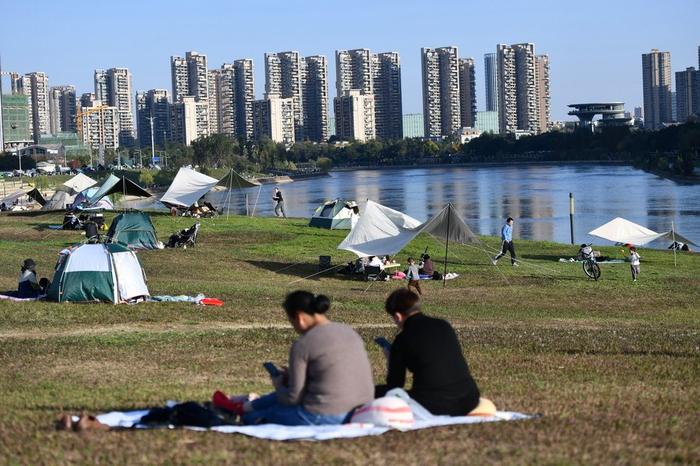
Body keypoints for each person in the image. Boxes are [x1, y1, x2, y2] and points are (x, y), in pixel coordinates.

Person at [213, 291, 374, 425]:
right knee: (276, 399)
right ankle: (243, 406)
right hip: (361, 410)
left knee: (267, 413)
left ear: (299, 317)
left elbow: (292, 398)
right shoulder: (349, 332)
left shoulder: (304, 343)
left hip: (325, 415)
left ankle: (242, 411)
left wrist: (278, 385)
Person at [375, 289, 481, 416]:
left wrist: (391, 359)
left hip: (433, 404)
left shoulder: (403, 339)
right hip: (470, 399)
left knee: (375, 393)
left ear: (398, 316)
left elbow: (395, 385)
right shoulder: (443, 325)